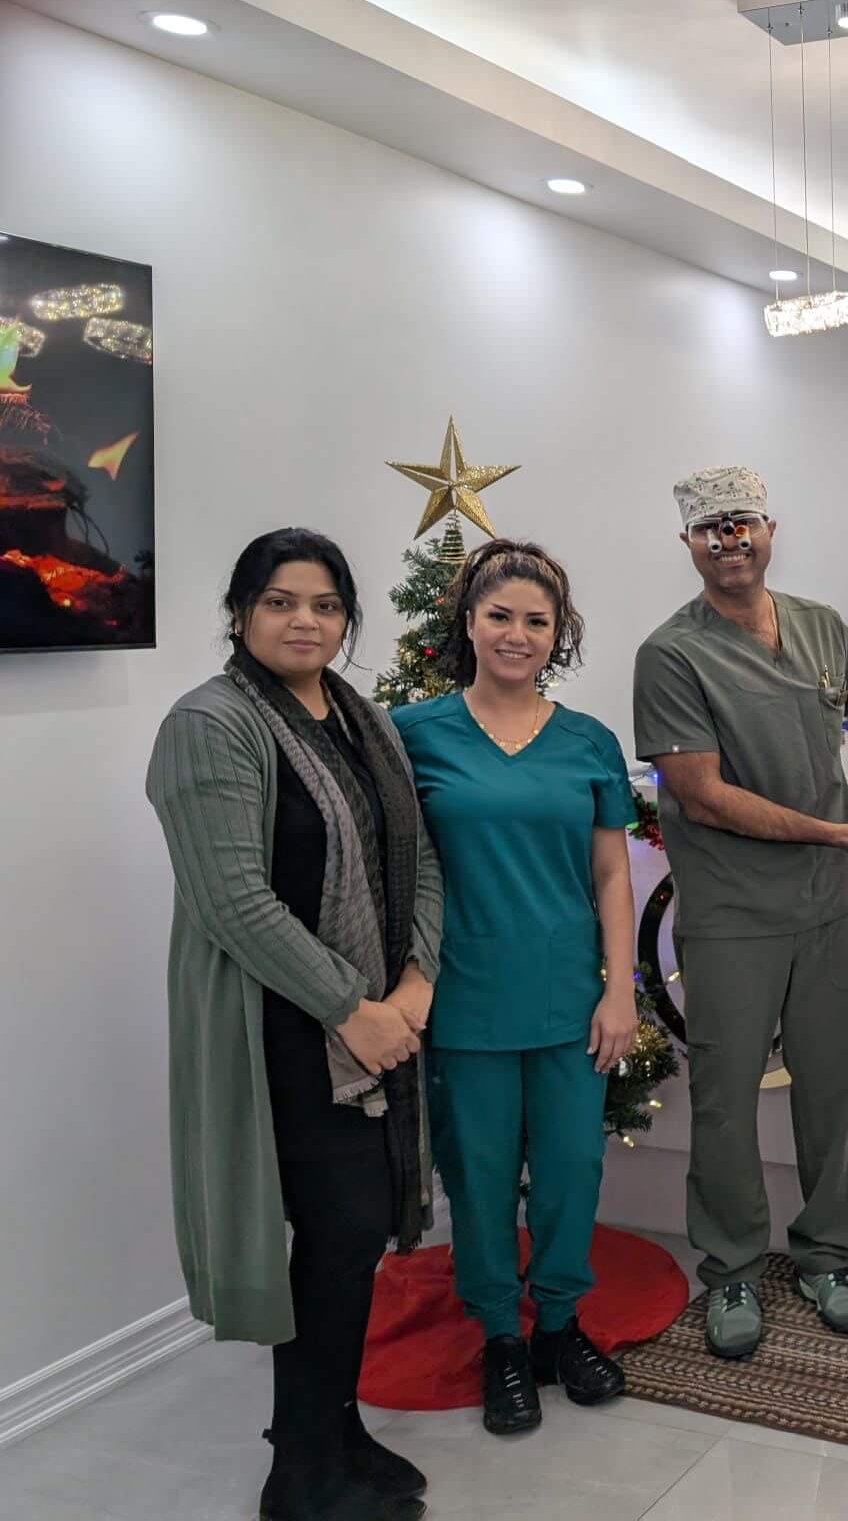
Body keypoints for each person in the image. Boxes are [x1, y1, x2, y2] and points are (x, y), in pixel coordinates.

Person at [147, 530, 439, 1521]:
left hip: (371, 1020)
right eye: (280, 601)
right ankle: (302, 1473)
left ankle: (330, 1427)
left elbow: (419, 857)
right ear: (239, 613)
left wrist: (414, 983)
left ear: (347, 621)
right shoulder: (211, 724)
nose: (304, 620)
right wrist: (352, 1009)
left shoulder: (363, 722)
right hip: (278, 1026)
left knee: (349, 1240)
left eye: (324, 604)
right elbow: (232, 899)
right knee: (334, 1233)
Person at [633, 465, 848, 1360]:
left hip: (828, 907)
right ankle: (729, 1273)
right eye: (710, 528)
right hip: (732, 912)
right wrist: (835, 834)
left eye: (743, 523)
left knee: (831, 1090)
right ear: (687, 544)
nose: (730, 541)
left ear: (769, 529)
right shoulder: (671, 655)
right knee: (723, 1102)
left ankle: (828, 1256)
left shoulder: (819, 625)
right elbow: (703, 796)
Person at [392, 539, 638, 1436]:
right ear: (468, 624)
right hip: (464, 999)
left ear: (557, 635)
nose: (517, 634)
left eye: (537, 621)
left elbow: (613, 875)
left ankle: (560, 1327)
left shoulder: (588, 741)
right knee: (482, 1174)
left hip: (571, 996)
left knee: (572, 1170)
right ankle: (501, 1337)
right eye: (500, 616)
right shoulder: (414, 732)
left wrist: (620, 990)